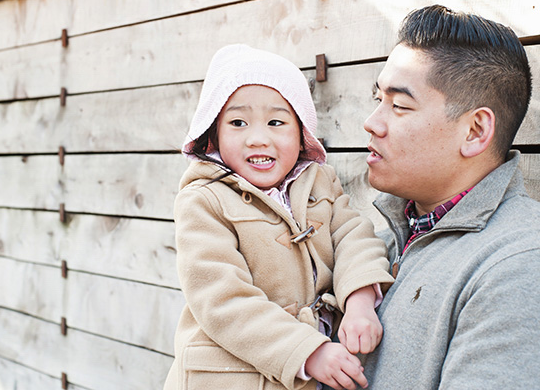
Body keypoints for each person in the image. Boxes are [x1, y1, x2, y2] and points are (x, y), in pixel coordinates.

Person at [360, 5, 540, 389]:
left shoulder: (534, 273)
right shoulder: (379, 244)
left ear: (476, 131)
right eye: (376, 99)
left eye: (399, 105)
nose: (372, 121)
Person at [163, 44, 394, 390]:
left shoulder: (319, 182)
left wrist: (359, 301)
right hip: (230, 378)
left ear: (301, 134)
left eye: (276, 122)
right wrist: (308, 351)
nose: (258, 138)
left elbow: (352, 236)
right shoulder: (203, 201)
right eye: (238, 122)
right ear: (213, 134)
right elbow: (222, 299)